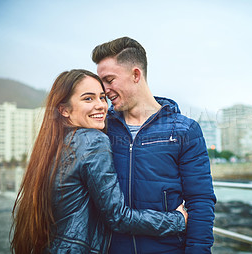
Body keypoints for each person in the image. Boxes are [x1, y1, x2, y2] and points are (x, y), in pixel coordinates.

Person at [10, 69, 188, 254]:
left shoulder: (54, 144)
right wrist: (176, 220)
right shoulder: (93, 141)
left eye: (102, 97)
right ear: (64, 110)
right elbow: (118, 217)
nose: (101, 105)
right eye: (88, 99)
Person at [91, 37, 216, 254]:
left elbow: (200, 202)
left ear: (136, 75)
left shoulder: (184, 130)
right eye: (101, 82)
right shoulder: (100, 129)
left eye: (109, 80)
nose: (104, 90)